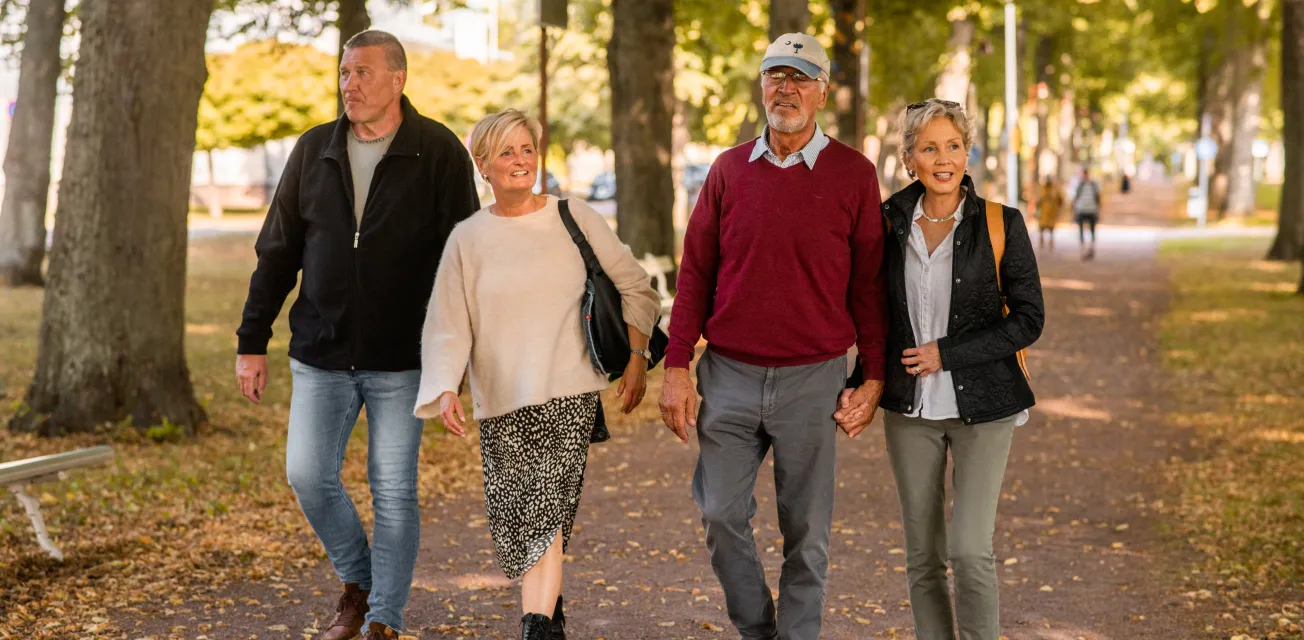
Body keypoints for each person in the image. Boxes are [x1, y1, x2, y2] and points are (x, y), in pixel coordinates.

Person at [233, 30, 480, 640]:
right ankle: (360, 581)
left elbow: (464, 261)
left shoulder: (437, 150)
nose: (351, 84)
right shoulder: (315, 148)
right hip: (320, 352)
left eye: (364, 73)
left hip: (404, 357)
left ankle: (382, 620)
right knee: (307, 474)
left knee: (393, 490)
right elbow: (277, 250)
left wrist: (459, 357)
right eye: (345, 72)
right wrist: (250, 339)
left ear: (398, 79)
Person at [658, 32, 888, 640]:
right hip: (729, 374)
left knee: (807, 534)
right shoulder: (730, 169)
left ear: (823, 91)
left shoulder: (854, 174)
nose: (786, 88)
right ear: (762, 84)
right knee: (719, 512)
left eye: (801, 77)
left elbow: (869, 282)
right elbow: (696, 271)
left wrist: (874, 374)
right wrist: (677, 365)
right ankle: (760, 630)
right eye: (775, 75)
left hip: (813, 379)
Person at [414, 109, 660, 639]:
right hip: (502, 401)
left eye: (527, 149)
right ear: (484, 165)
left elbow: (638, 288)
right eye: (506, 152)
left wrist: (638, 358)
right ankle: (551, 617)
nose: (520, 161)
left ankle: (534, 628)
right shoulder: (468, 239)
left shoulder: (574, 217)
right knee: (517, 524)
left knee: (545, 517)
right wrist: (443, 388)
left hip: (567, 393)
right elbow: (448, 323)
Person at [838, 98, 1044, 640]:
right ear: (909, 158)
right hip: (911, 410)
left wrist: (946, 353)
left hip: (987, 406)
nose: (943, 158)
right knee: (923, 555)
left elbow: (1028, 321)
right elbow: (868, 311)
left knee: (970, 550)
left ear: (967, 151)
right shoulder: (885, 223)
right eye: (929, 148)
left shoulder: (1002, 223)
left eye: (953, 146)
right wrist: (857, 382)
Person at [1072, 166, 1102, 260]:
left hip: (1091, 210)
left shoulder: (1093, 184)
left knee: (1092, 230)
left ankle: (1091, 248)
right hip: (1082, 210)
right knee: (1081, 230)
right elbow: (1075, 198)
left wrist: (1099, 209)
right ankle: (1083, 249)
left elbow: (1098, 197)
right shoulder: (1080, 185)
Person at [1036, 176, 1063, 250]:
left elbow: (1060, 199)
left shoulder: (1055, 189)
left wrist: (1058, 208)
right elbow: (1038, 200)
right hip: (1043, 212)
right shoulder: (1042, 189)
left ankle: (1051, 241)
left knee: (1051, 227)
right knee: (1041, 227)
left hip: (1052, 212)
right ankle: (1041, 241)